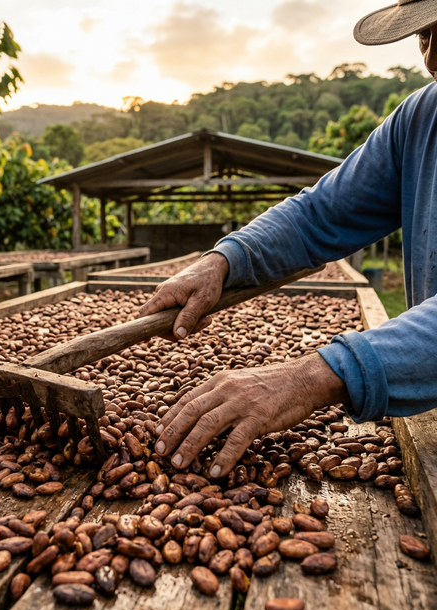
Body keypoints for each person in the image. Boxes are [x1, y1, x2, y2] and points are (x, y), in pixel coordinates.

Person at [139, 0, 437, 481]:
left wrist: (313, 376)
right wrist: (225, 259)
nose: (433, 60)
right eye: (424, 35)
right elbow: (320, 213)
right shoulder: (422, 118)